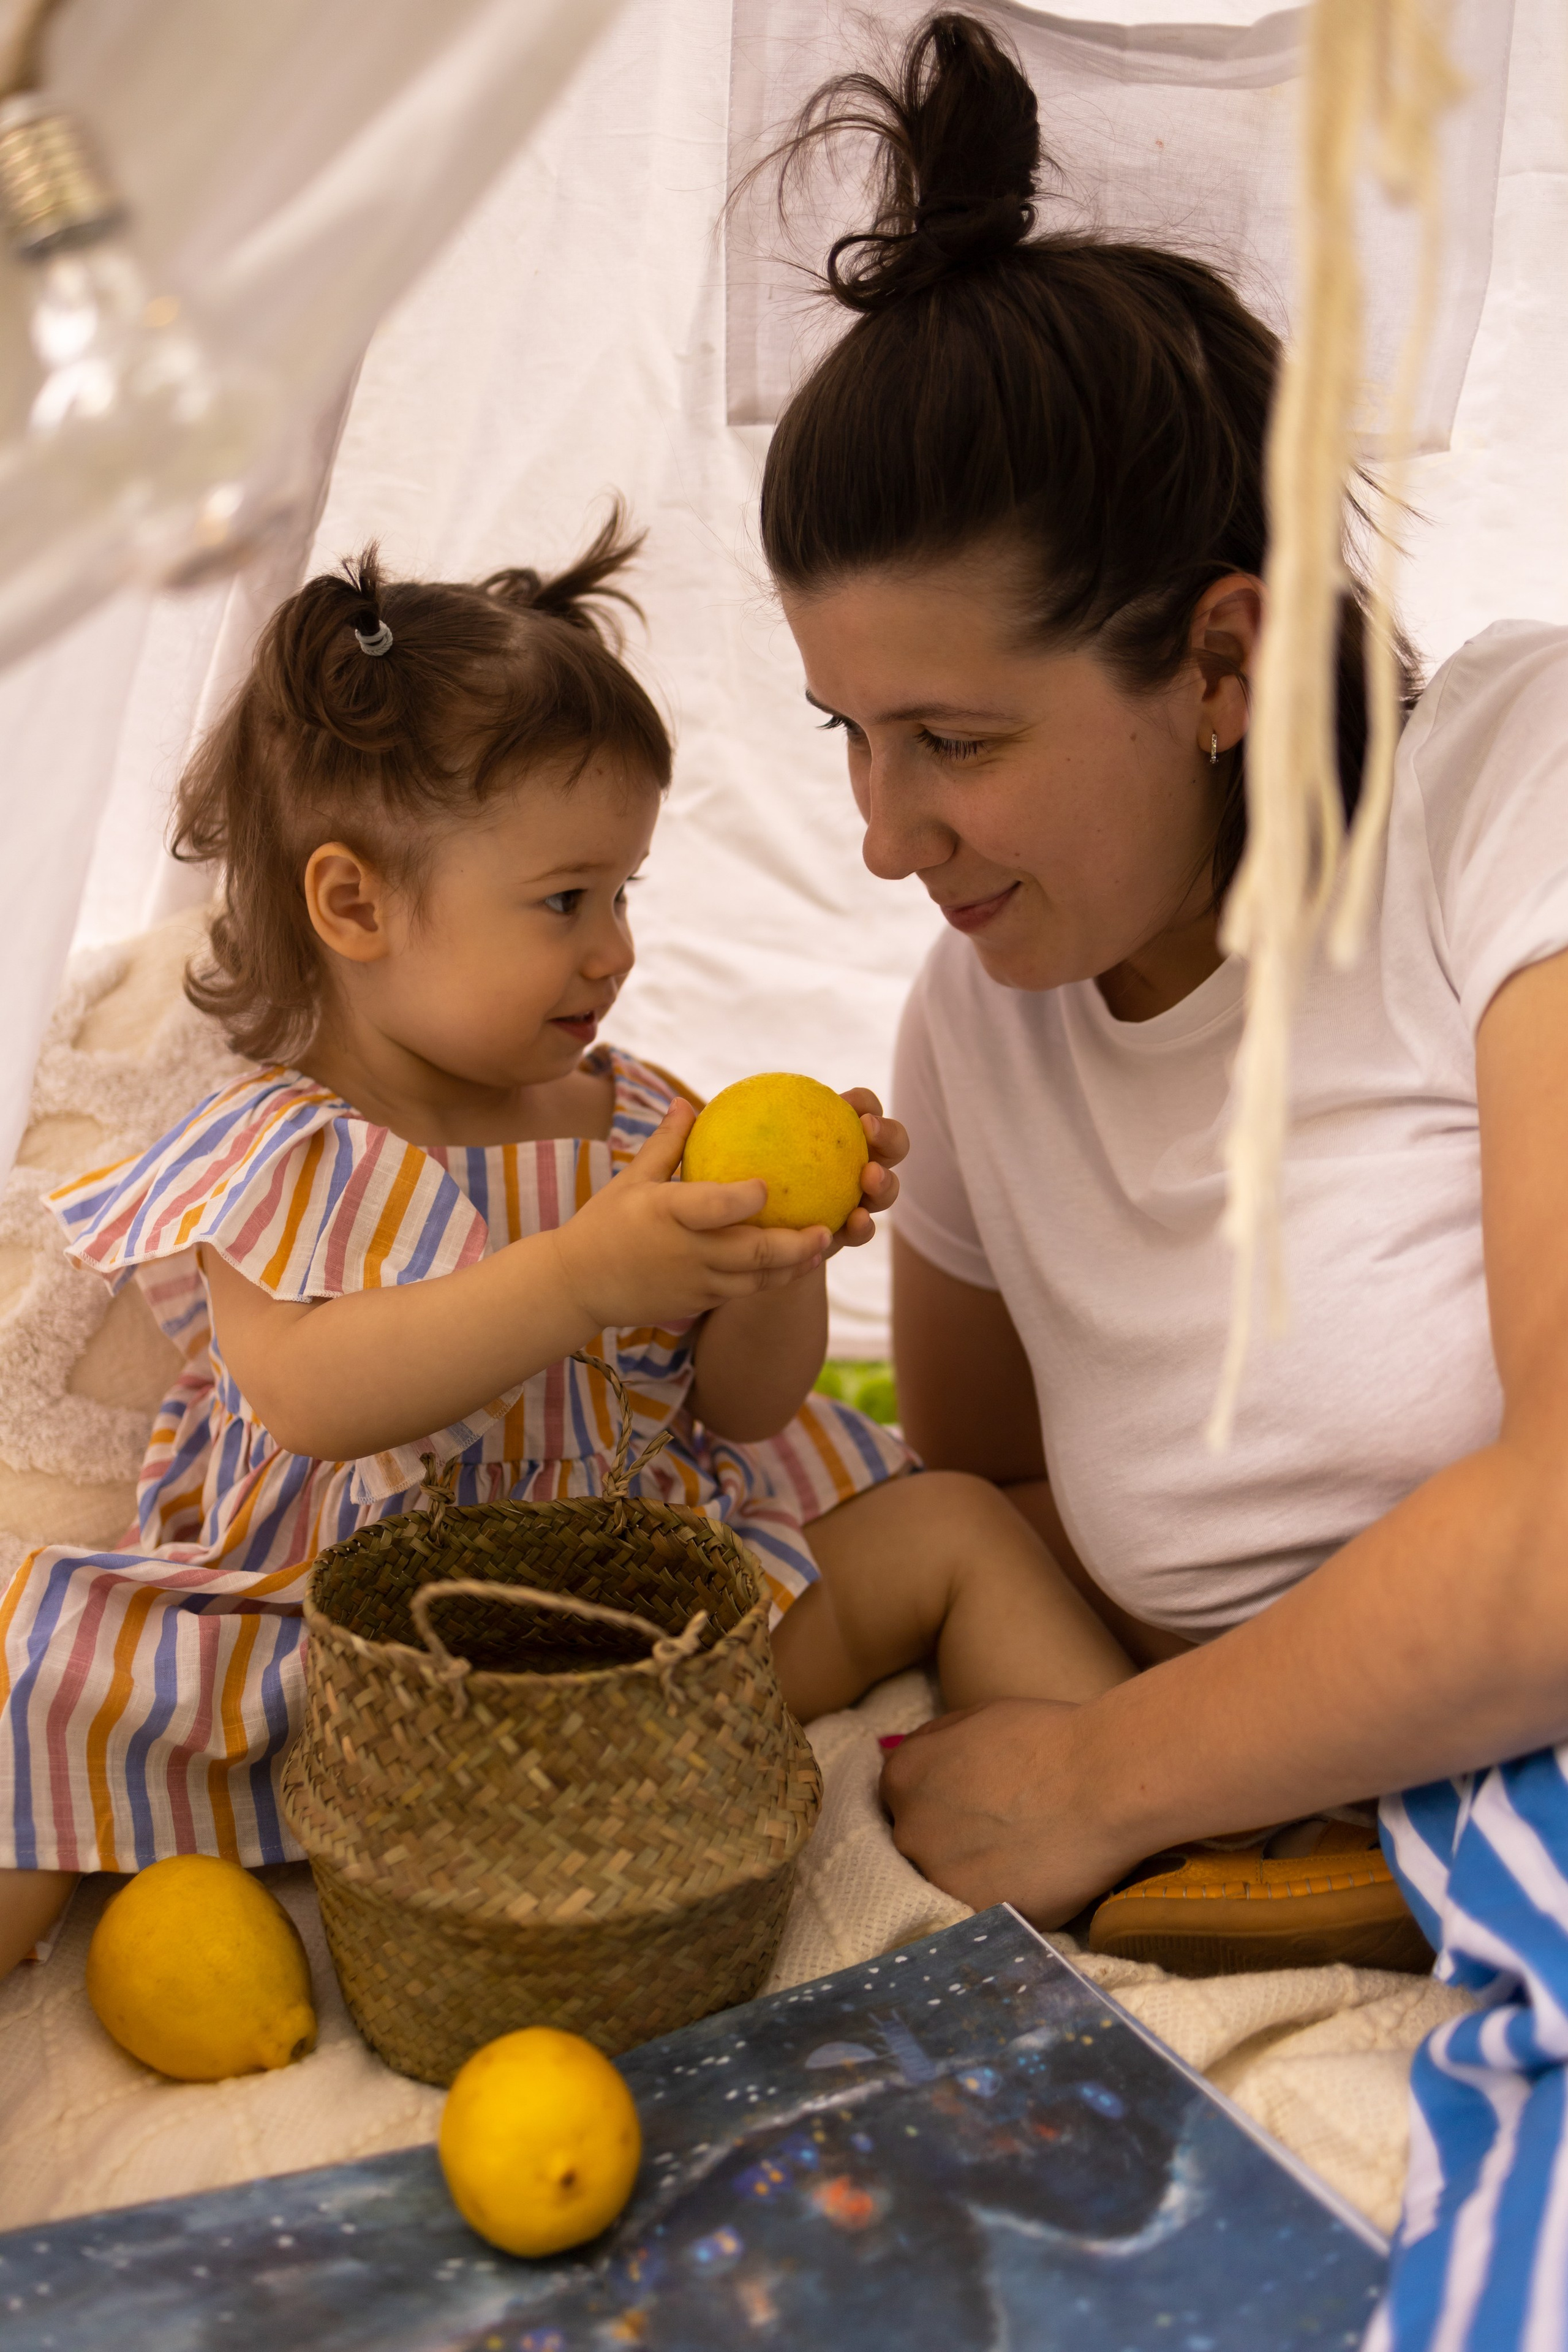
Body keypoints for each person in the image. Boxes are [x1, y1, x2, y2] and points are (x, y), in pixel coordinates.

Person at [755, 13, 1568, 2345]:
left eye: (957, 743)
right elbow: (986, 1531)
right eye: (847, 734)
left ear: (1218, 658)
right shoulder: (981, 1031)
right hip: (1349, 1858)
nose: (885, 838)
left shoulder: (1505, 793)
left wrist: (1110, 1780)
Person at [0, 509, 1134, 1983]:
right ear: (353, 903)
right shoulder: (281, 1149)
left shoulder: (641, 1122)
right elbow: (306, 1394)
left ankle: (1136, 1850)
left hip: (649, 1642)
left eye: (621, 894)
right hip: (346, 1670)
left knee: (957, 1533)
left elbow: (738, 1411)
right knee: (42, 1680)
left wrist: (767, 1272)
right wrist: (582, 1277)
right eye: (561, 902)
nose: (613, 950)